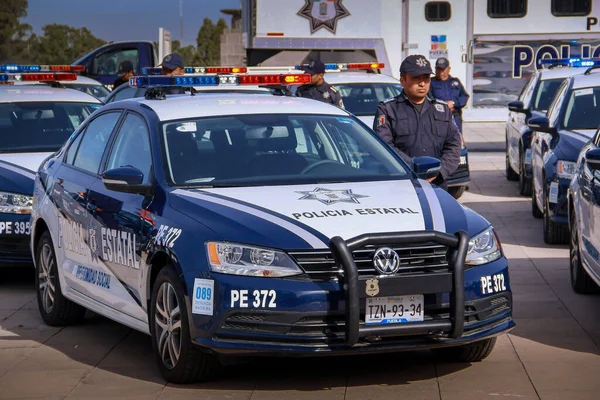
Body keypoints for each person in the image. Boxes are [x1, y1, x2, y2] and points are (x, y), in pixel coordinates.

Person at [373, 54, 461, 189]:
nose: (422, 84)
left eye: (426, 78)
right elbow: (384, 147)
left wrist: (439, 171)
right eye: (416, 78)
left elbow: (454, 145)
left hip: (437, 184)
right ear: (402, 81)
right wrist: (415, 170)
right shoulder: (388, 109)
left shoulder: (441, 109)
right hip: (402, 184)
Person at [429, 57, 470, 133]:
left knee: (457, 140)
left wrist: (454, 103)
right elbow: (429, 99)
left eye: (443, 69)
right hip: (438, 117)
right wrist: (444, 106)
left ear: (449, 69)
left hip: (454, 116)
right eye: (438, 69)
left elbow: (464, 96)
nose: (441, 72)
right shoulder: (431, 82)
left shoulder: (455, 82)